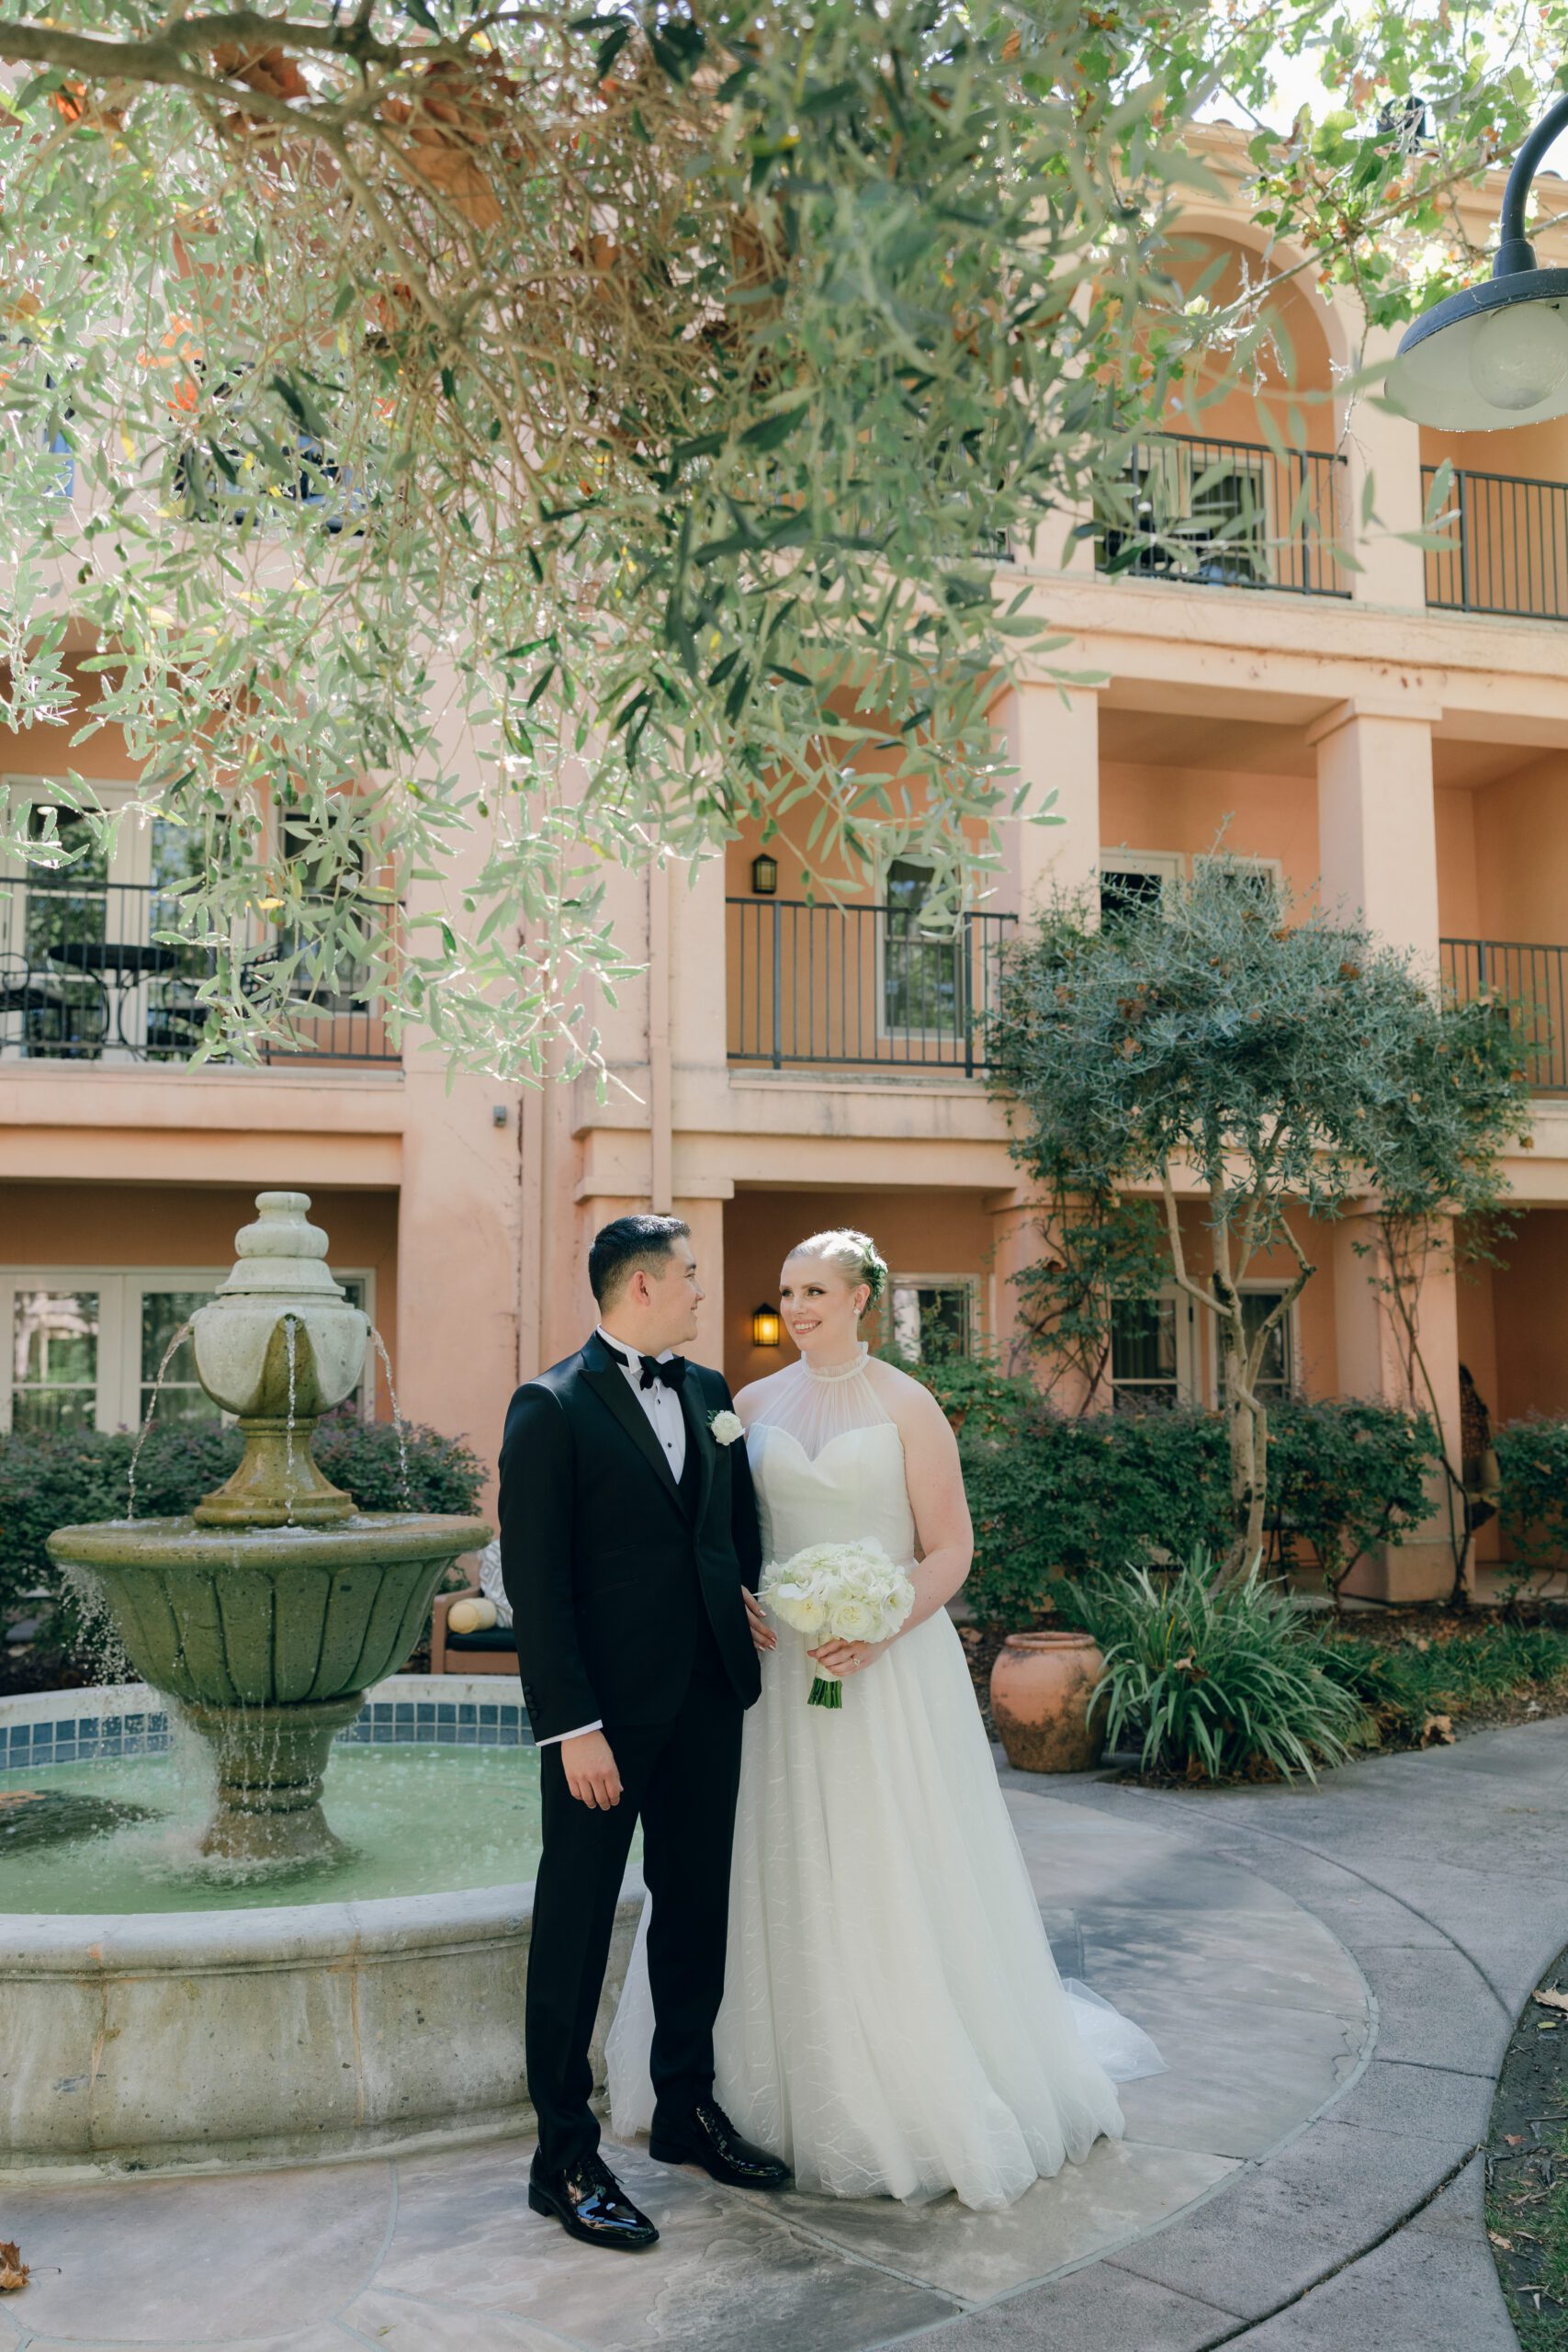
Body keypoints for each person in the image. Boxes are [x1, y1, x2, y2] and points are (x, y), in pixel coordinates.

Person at [608, 1227, 1163, 2211]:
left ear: (864, 1296)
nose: (800, 1305)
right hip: (779, 1676)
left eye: (818, 1288)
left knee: (883, 1863)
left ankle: (902, 2089)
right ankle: (742, 2091)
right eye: (789, 1288)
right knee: (769, 1867)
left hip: (888, 1671)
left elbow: (951, 1549)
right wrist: (737, 1594)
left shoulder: (909, 1405)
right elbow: (725, 1534)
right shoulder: (749, 1404)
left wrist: (880, 1622)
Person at [499, 1214, 790, 2254]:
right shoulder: (551, 1406)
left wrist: (742, 1598)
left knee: (696, 1908)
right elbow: (540, 1590)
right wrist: (572, 1727)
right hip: (603, 1726)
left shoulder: (710, 1394)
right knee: (574, 1928)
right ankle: (561, 2157)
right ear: (640, 1289)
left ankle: (686, 2108)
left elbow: (727, 1526)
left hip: (710, 1694)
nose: (705, 1293)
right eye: (691, 1279)